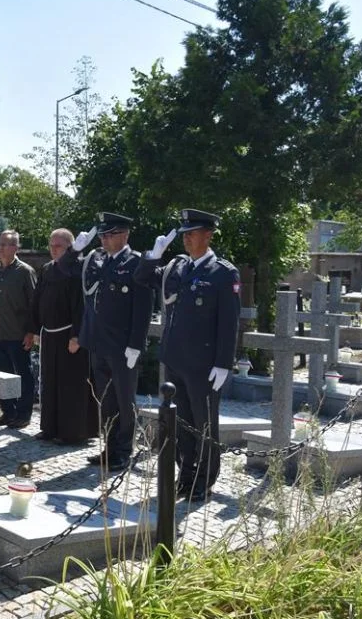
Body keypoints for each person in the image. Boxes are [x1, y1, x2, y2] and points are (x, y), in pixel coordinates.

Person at [133, 209, 240, 501]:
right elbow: (142, 277)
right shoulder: (176, 268)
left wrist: (223, 363)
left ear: (208, 235)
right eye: (184, 235)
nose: (187, 240)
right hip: (176, 360)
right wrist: (153, 255)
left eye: (191, 234)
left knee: (204, 424)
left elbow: (229, 323)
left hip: (204, 365)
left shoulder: (223, 273)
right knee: (180, 425)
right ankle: (186, 474)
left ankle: (203, 481)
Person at [58, 212, 153, 472]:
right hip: (98, 342)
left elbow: (143, 308)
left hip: (123, 346)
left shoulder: (136, 263)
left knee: (124, 400)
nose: (104, 240)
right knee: (106, 399)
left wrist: (136, 343)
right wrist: (76, 248)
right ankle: (109, 447)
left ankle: (123, 450)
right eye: (101, 235)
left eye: (109, 235)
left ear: (124, 235)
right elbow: (64, 269)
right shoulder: (94, 259)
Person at [32, 228, 99, 444]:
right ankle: (50, 427)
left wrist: (76, 335)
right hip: (50, 335)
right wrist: (34, 329)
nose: (53, 250)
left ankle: (72, 432)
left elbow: (81, 306)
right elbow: (37, 301)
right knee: (49, 383)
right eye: (51, 245)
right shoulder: (47, 269)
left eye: (58, 246)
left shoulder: (78, 270)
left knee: (70, 385)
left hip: (69, 335)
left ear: (70, 247)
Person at [0, 230, 37, 429]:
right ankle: (8, 412)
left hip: (19, 334)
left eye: (5, 244)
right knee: (2, 374)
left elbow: (34, 304)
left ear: (15, 247)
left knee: (23, 374)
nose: (0, 248)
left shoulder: (25, 272)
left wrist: (31, 332)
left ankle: (23, 414)